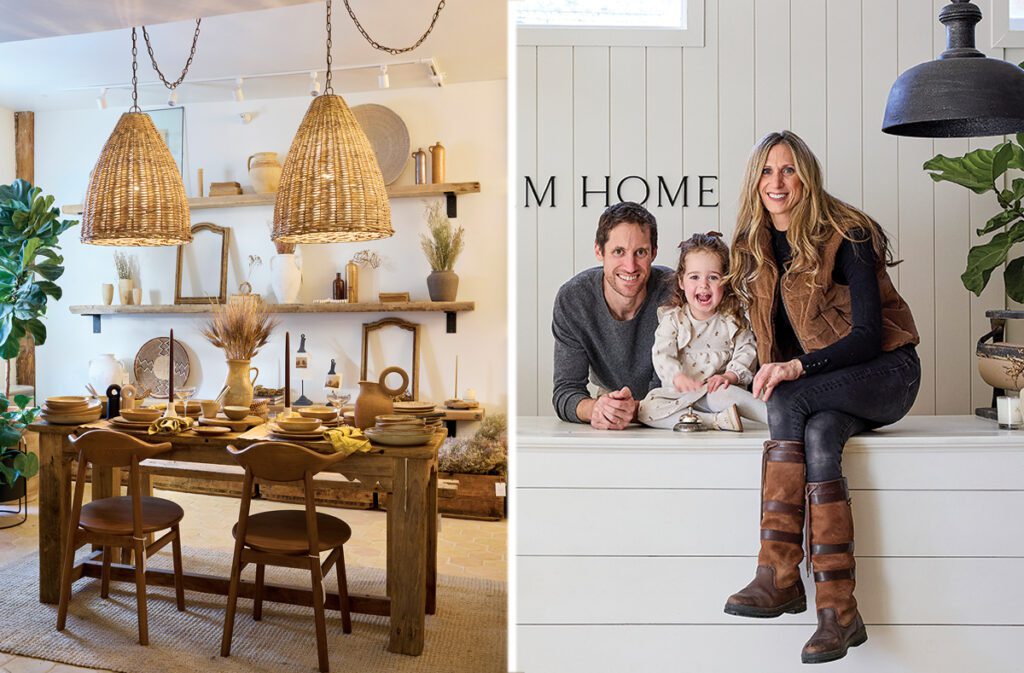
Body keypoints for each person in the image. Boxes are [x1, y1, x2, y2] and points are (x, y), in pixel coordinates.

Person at [722, 131, 920, 664]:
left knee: (788, 403)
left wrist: (796, 367)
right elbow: (761, 337)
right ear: (755, 182)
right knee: (818, 431)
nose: (778, 182)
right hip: (826, 394)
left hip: (888, 374)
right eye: (767, 171)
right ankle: (839, 612)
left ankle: (779, 573)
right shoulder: (754, 250)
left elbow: (868, 337)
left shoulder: (847, 234)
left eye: (789, 170)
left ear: (807, 176)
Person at [551, 201, 672, 429]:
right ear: (599, 251)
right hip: (609, 402)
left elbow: (667, 387)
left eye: (641, 252)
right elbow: (565, 391)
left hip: (673, 409)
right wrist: (597, 409)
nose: (630, 265)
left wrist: (631, 410)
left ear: (654, 253)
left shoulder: (675, 291)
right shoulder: (574, 299)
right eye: (618, 252)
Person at [638, 232, 767, 431]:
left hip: (716, 393)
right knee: (646, 408)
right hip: (680, 396)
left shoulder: (732, 320)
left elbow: (747, 350)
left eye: (713, 277)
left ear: (725, 281)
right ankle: (714, 422)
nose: (703, 284)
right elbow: (662, 353)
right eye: (694, 277)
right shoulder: (673, 319)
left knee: (730, 395)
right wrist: (677, 377)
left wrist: (729, 377)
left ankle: (776, 417)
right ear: (681, 282)